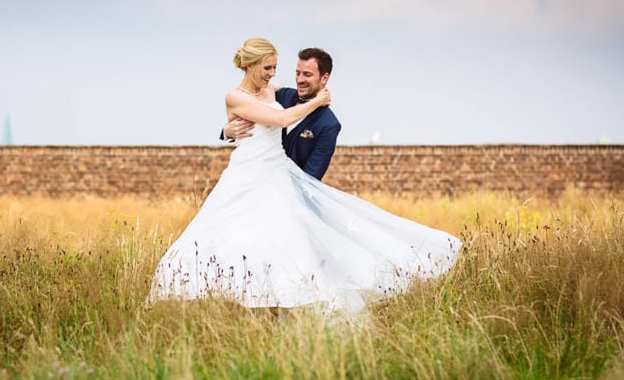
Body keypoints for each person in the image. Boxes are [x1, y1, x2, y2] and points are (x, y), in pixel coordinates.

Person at [149, 37, 461, 317]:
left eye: (296, 72)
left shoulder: (318, 118)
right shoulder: (256, 96)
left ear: (323, 78)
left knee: (288, 245)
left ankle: (290, 306)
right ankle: (243, 301)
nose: (279, 75)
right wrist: (226, 131)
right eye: (270, 68)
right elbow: (277, 118)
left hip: (283, 181)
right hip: (247, 174)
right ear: (252, 64)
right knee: (235, 238)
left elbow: (312, 173)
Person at [220, 47, 340, 181]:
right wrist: (226, 131)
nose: (299, 80)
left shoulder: (329, 124)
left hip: (288, 188)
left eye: (307, 74)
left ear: (324, 78)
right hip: (250, 173)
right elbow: (248, 108)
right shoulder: (281, 96)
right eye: (297, 73)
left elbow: (311, 177)